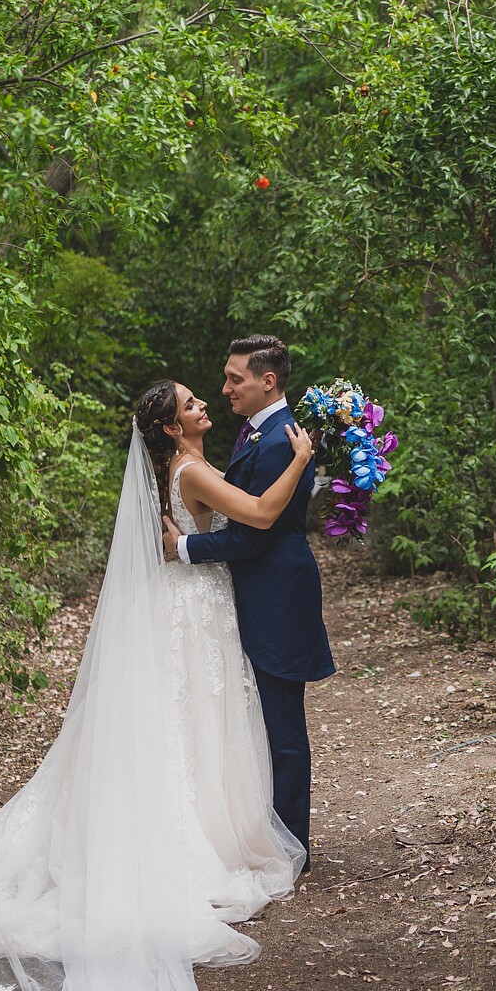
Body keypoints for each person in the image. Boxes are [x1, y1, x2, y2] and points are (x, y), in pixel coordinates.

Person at [0, 379, 315, 991]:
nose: (204, 407)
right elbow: (262, 513)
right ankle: (197, 835)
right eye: (191, 404)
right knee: (192, 726)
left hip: (188, 606)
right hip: (192, 610)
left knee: (188, 728)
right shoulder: (191, 469)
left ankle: (205, 822)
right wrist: (303, 459)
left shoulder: (177, 470)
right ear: (168, 429)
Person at [161, 334, 337, 862]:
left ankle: (292, 848)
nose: (225, 388)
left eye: (235, 379)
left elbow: (255, 531)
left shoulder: (282, 441)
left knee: (283, 730)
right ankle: (267, 834)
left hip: (278, 595)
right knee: (256, 724)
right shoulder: (257, 434)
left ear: (268, 381)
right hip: (252, 595)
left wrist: (185, 546)